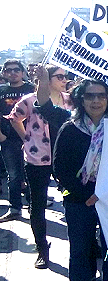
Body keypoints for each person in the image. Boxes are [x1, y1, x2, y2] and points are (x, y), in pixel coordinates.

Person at [53, 78, 108, 281]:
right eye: (90, 96)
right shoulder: (69, 129)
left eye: (101, 95)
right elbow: (60, 169)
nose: (96, 101)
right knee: (81, 251)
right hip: (79, 198)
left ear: (107, 99)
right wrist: (86, 195)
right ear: (81, 100)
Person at [6, 65, 71, 268]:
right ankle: (42, 248)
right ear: (47, 79)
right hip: (37, 159)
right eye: (59, 76)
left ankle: (86, 245)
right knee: (38, 203)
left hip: (65, 158)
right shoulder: (29, 101)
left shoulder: (71, 100)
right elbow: (14, 118)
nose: (64, 80)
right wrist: (26, 138)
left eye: (65, 77)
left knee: (74, 200)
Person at [0, 60, 36, 222]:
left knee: (32, 173)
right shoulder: (1, 91)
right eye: (9, 70)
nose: (12, 73)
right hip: (9, 140)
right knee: (13, 175)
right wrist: (2, 137)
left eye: (16, 70)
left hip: (33, 139)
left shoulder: (31, 89)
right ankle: (15, 208)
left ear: (22, 72)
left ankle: (34, 205)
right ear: (4, 73)